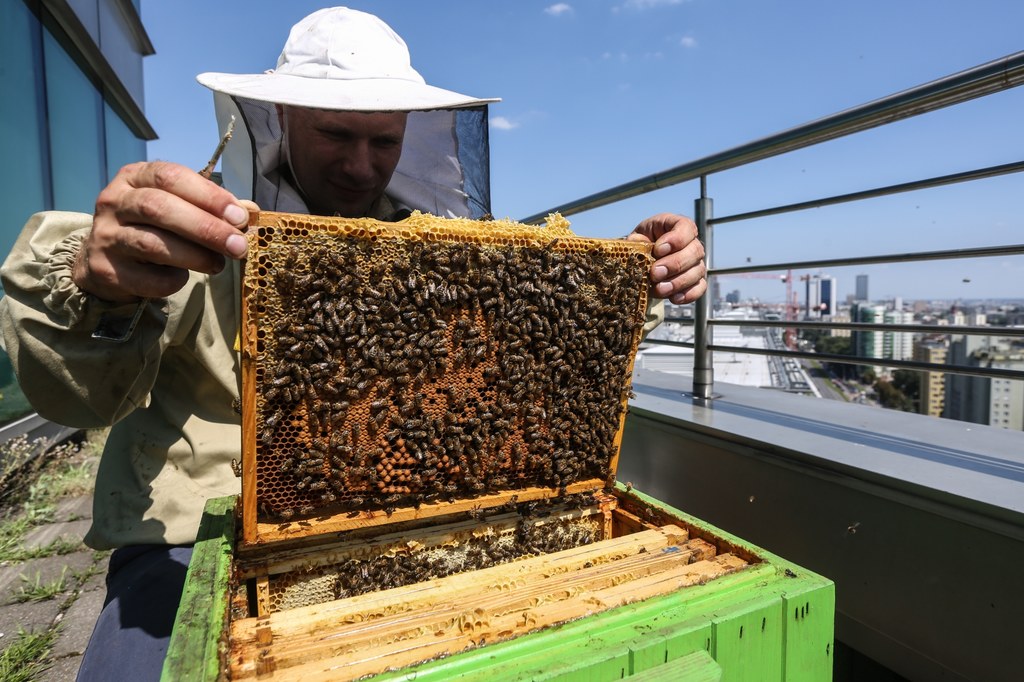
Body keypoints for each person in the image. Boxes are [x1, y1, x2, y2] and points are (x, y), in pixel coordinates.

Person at [0, 7, 706, 681]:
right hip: (199, 538)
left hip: (394, 526)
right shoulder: (199, 229)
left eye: (384, 141)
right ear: (282, 120)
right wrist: (97, 290)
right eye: (337, 135)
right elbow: (74, 397)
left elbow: (514, 359)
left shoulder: (431, 249)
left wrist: (625, 281)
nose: (363, 166)